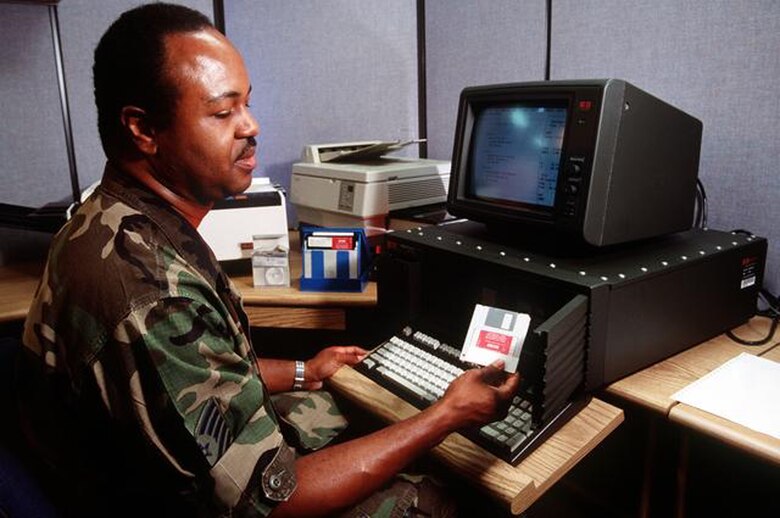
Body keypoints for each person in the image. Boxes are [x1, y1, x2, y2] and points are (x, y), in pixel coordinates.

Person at [14, 3, 520, 517]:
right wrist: (446, 414)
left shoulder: (112, 219)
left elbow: (198, 372)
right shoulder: (152, 294)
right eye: (222, 112)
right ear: (143, 129)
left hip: (133, 474)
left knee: (340, 412)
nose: (251, 125)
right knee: (439, 494)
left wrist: (306, 370)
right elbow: (272, 501)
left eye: (247, 104)